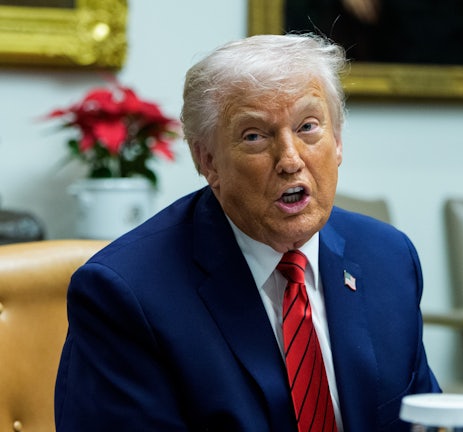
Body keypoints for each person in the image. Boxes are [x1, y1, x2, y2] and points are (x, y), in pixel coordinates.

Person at [54, 33, 441, 431]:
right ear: (208, 160)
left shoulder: (389, 258)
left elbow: (428, 420)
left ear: (338, 141)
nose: (290, 160)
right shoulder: (126, 295)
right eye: (255, 136)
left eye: (308, 127)